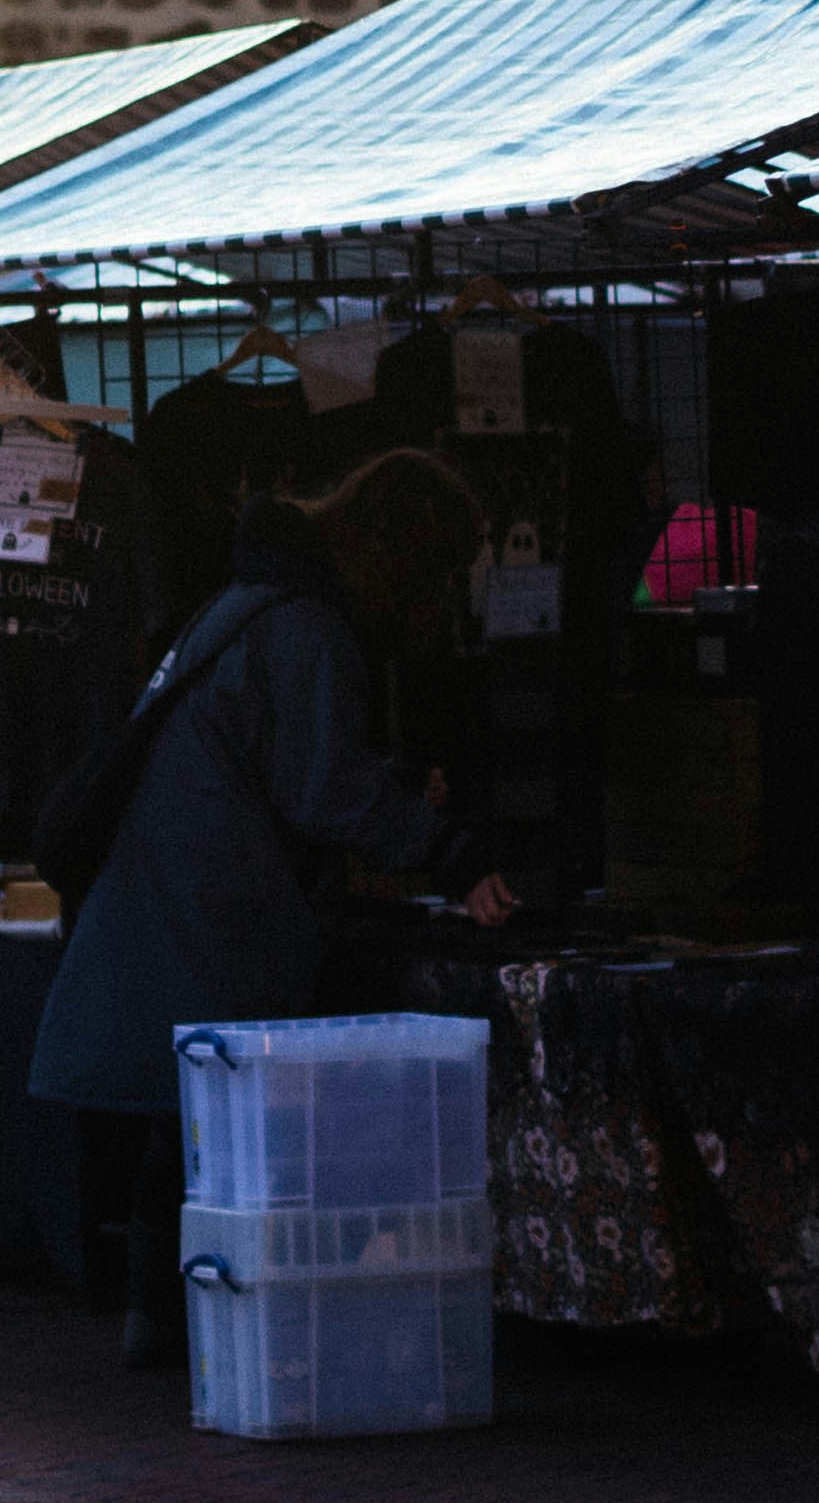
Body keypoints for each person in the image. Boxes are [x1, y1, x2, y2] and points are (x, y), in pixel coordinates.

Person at [30, 448, 513, 1357]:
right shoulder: (309, 628)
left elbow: (283, 758)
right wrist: (449, 849)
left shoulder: (245, 602)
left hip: (175, 885)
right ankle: (198, 1325)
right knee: (222, 1126)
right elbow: (324, 791)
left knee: (189, 1120)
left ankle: (160, 1319)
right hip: (222, 902)